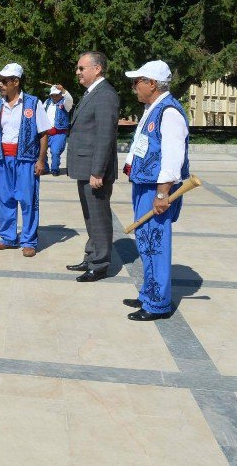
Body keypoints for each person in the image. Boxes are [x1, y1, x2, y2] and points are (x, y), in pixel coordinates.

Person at [122, 60, 189, 321]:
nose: (134, 87)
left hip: (156, 189)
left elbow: (173, 157)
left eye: (137, 82)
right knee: (145, 242)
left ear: (152, 83)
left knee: (156, 244)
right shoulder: (153, 108)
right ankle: (147, 292)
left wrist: (162, 194)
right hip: (144, 185)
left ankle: (157, 303)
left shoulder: (169, 112)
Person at [65, 51, 120, 282]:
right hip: (84, 167)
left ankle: (100, 264)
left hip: (94, 171)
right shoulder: (92, 93)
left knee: (98, 217)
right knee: (90, 217)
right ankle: (91, 256)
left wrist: (98, 171)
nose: (77, 72)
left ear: (97, 69)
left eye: (81, 68)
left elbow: (105, 136)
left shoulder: (105, 95)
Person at [0, 63, 50, 257]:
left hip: (26, 159)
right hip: (3, 159)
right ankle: (7, 238)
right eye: (0, 81)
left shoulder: (32, 103)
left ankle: (29, 241)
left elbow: (43, 133)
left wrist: (41, 160)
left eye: (4, 81)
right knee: (4, 199)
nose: (0, 84)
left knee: (27, 199)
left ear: (16, 81)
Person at [43, 84, 74, 176]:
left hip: (59, 133)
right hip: (46, 132)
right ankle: (45, 168)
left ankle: (55, 169)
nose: (55, 97)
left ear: (61, 94)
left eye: (57, 94)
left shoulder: (65, 103)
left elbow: (70, 100)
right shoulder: (47, 102)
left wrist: (64, 90)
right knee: (42, 151)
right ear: (50, 95)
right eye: (53, 95)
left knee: (55, 152)